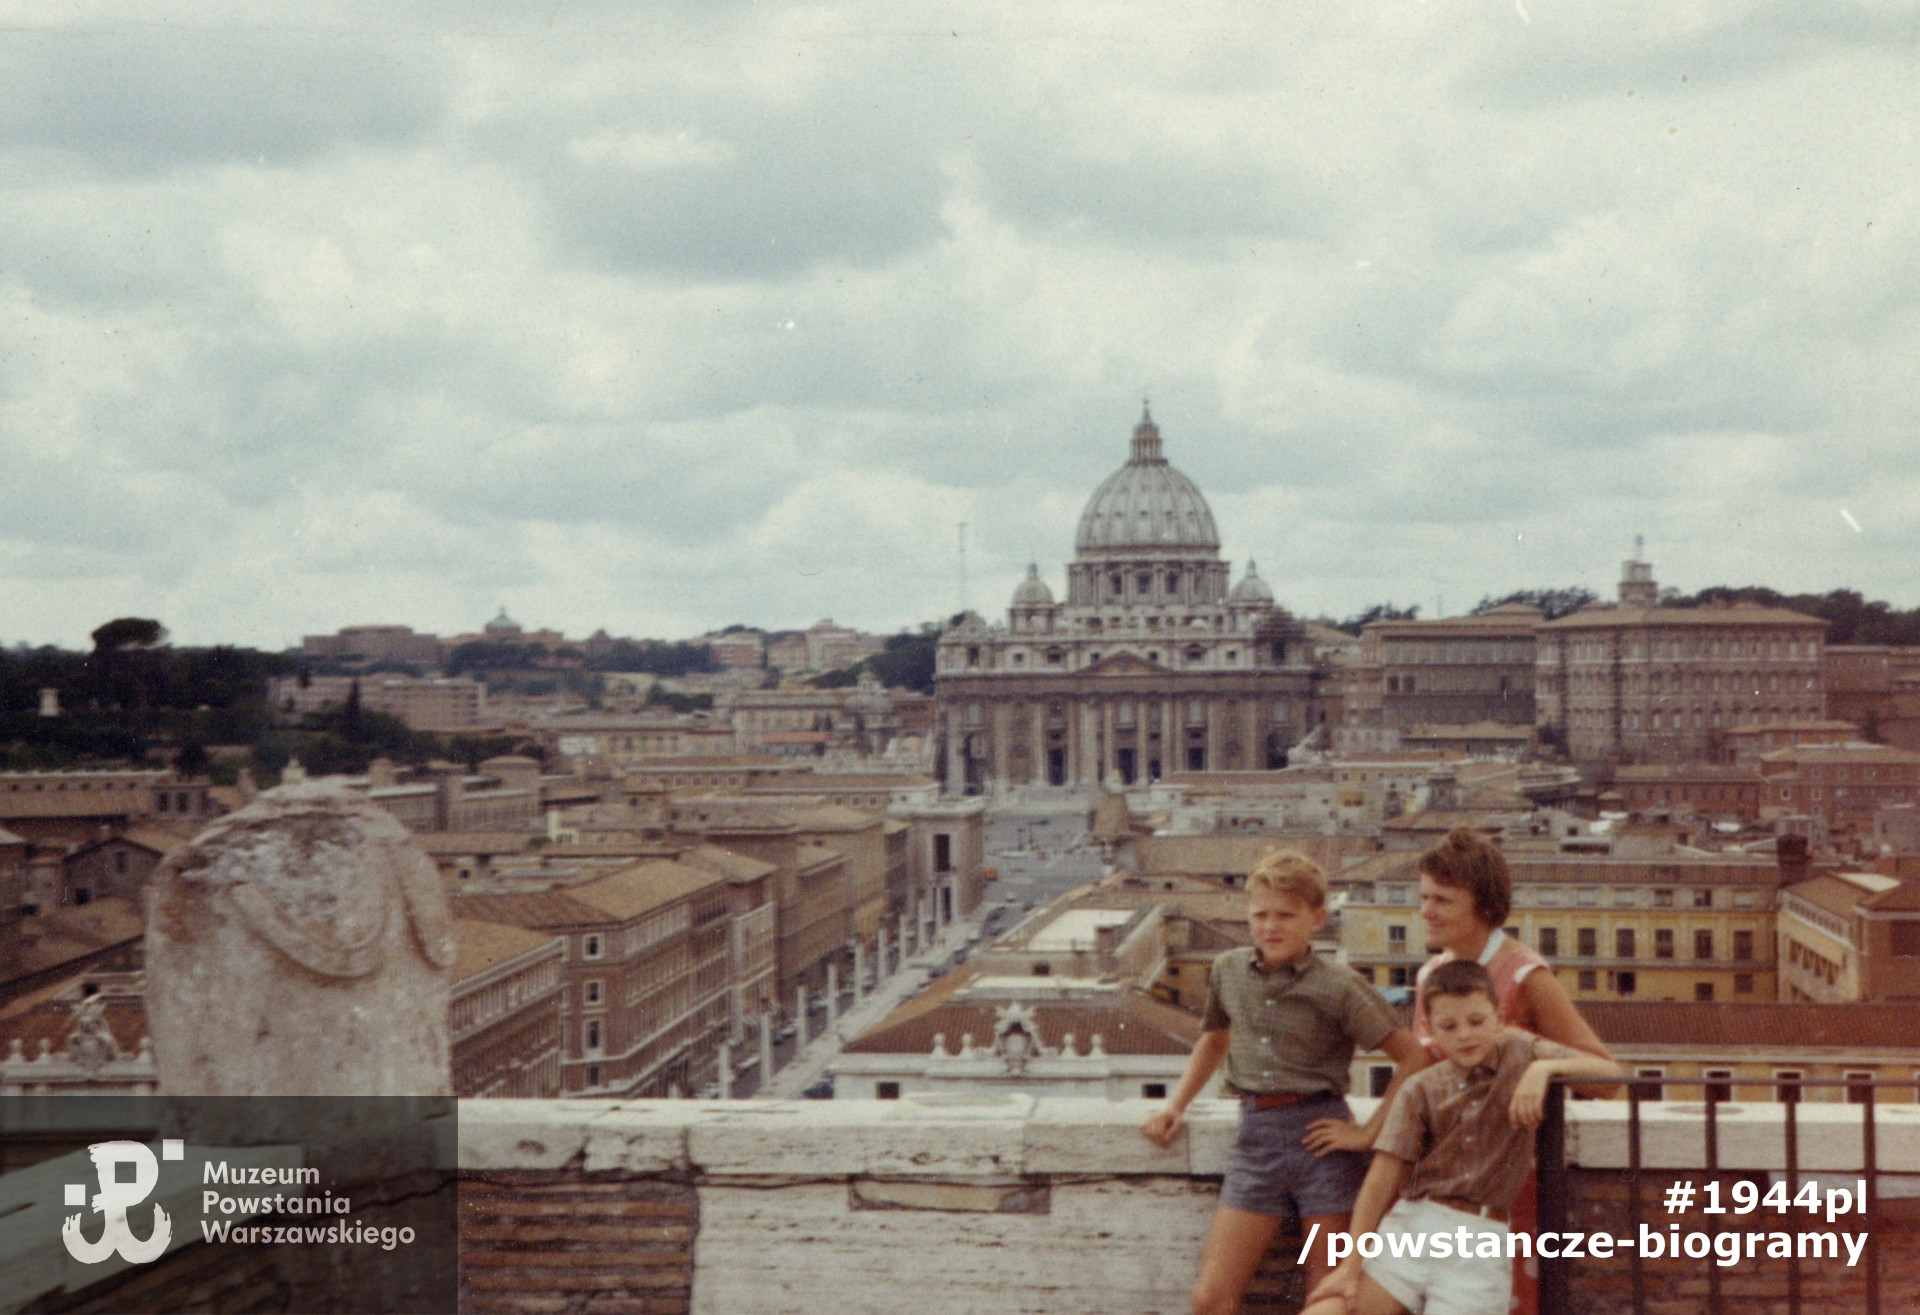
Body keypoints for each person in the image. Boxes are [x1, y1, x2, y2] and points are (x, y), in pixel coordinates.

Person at [1142, 851, 1428, 1315]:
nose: (1270, 926)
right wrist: (1176, 1106)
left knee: (1328, 1296)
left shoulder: (1339, 985)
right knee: (1210, 1300)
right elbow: (1214, 1041)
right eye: (1260, 915)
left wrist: (1368, 1133)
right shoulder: (1228, 971)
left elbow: (1414, 1056)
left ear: (1317, 919)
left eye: (1286, 915)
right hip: (1256, 1141)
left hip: (1324, 1147)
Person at [1300, 960, 1623, 1315]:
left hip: (1480, 1240)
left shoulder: (1521, 1051)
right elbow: (1381, 1178)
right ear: (1430, 1029)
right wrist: (1350, 1265)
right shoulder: (1420, 1089)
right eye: (1449, 1026)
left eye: (1476, 1021)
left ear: (1499, 1016)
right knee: (1328, 1310)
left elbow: (1610, 1076)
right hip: (1414, 1227)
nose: (1465, 1035)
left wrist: (1544, 1068)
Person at [1410, 826, 1613, 1314]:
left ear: (1484, 906)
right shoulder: (1430, 976)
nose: (1426, 911)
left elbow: (1606, 1077)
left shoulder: (1524, 974)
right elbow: (1419, 1072)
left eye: (1443, 900)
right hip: (1439, 1181)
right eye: (1424, 897)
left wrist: (1541, 1068)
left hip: (1508, 1184)